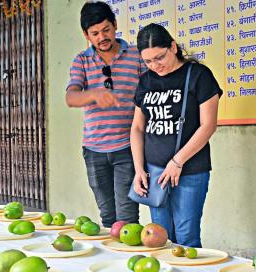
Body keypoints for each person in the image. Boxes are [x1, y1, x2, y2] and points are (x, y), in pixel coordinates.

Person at [131, 23, 222, 247]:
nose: (155, 65)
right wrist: (139, 169)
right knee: (159, 237)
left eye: (159, 57)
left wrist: (177, 161)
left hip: (190, 170)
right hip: (154, 172)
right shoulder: (146, 80)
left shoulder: (198, 75)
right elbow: (137, 128)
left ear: (173, 47)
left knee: (186, 237)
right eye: (148, 61)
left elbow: (208, 125)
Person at [66, 1, 145, 228]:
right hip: (94, 150)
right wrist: (94, 94)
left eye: (106, 30)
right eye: (95, 33)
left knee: (127, 217)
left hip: (127, 148)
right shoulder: (81, 60)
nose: (102, 37)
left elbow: (150, 91)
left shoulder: (136, 56)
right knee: (108, 217)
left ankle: (132, 260)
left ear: (115, 25)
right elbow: (71, 97)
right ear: (86, 35)